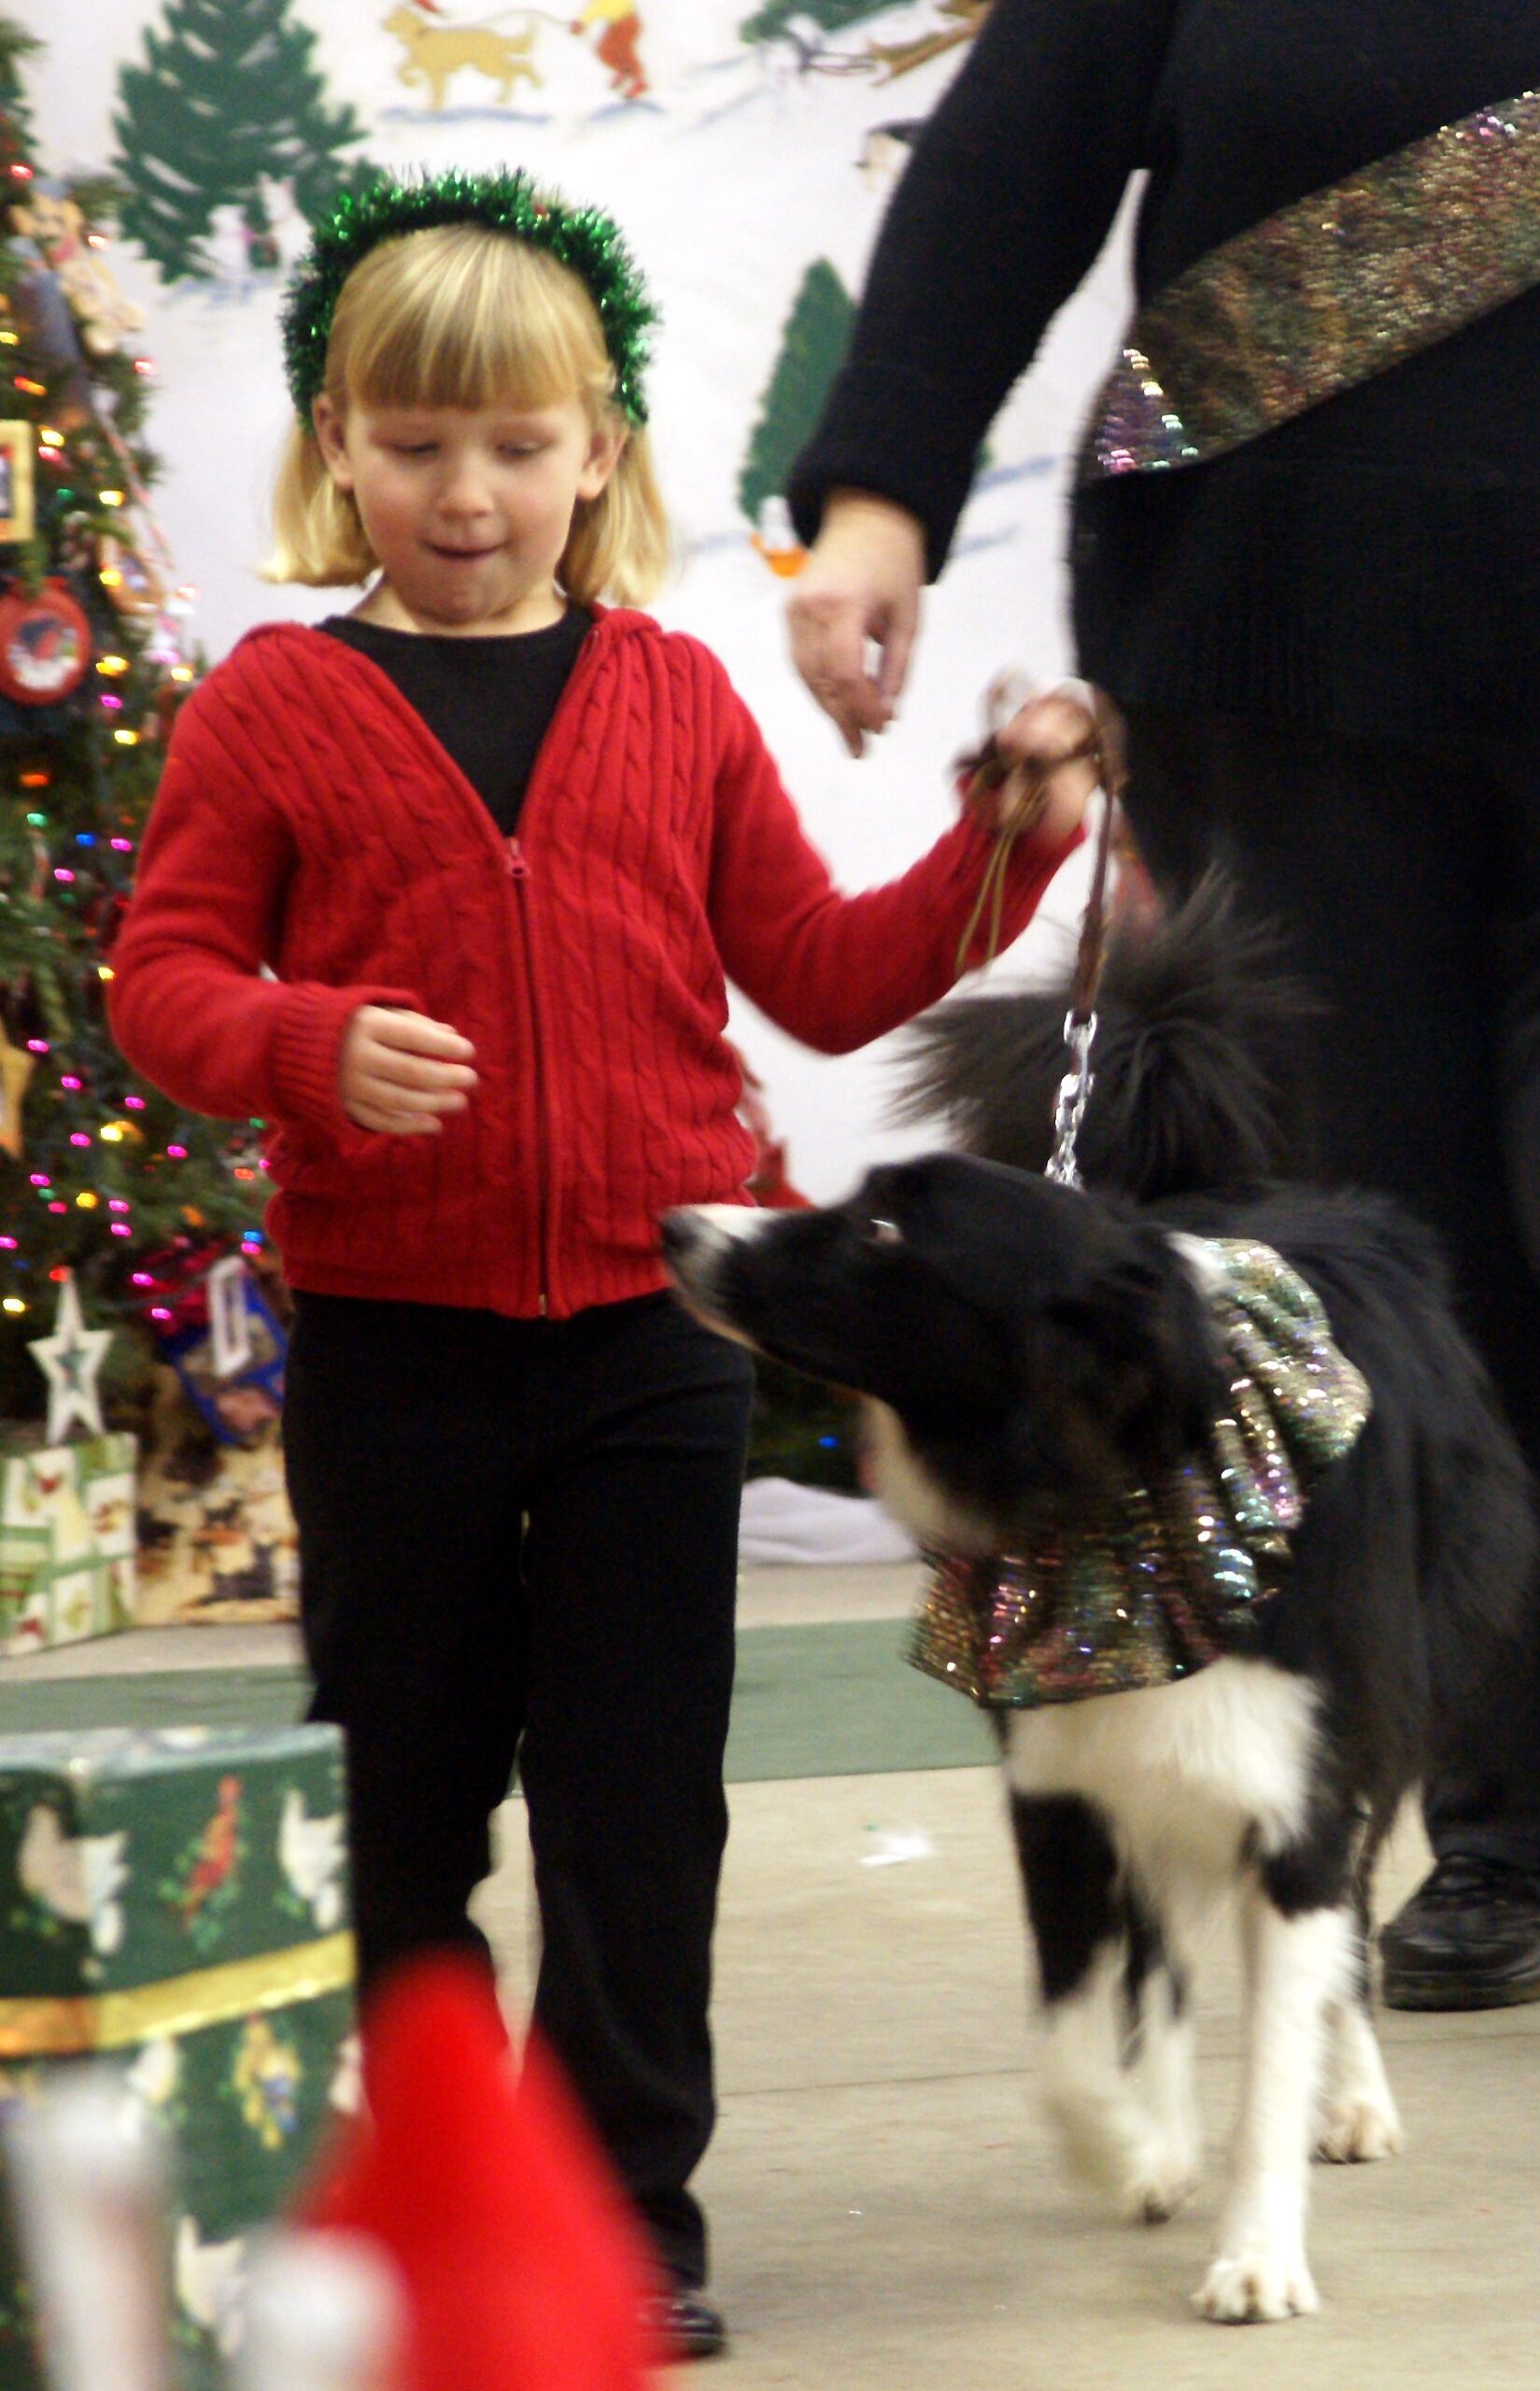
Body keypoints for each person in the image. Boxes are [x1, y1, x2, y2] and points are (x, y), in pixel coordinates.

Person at [106, 171, 1096, 2362]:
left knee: (642, 1805)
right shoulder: (271, 705)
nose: (468, 492)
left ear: (603, 453)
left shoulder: (672, 694)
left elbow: (829, 980)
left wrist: (1000, 841)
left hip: (655, 1339)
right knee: (400, 1793)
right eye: (416, 440)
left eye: (518, 445)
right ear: (336, 447)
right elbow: (160, 979)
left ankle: (629, 2208)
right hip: (392, 1337)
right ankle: (444, 2184)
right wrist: (298, 1043)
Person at [784, 0, 1540, 2012]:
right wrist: (877, 488)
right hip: (1283, 660)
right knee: (1433, 1261)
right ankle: (1516, 1823)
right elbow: (1007, 168)